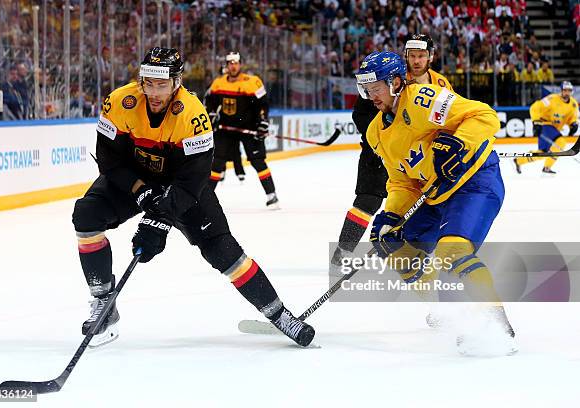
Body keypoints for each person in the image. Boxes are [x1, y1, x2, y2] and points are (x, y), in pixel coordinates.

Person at [72, 47, 314, 348]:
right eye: (149, 83)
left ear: (177, 82)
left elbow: (194, 179)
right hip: (134, 179)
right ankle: (103, 304)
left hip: (182, 185)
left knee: (223, 251)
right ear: (141, 80)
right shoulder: (121, 101)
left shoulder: (193, 114)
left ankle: (280, 316)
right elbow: (109, 161)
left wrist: (160, 220)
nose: (155, 92)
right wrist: (141, 191)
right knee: (86, 215)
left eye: (162, 84)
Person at [356, 50, 516, 354]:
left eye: (375, 87)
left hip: (474, 181)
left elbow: (484, 116)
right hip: (437, 193)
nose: (370, 95)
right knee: (390, 241)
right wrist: (392, 214)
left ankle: (498, 325)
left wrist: (458, 142)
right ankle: (449, 310)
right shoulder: (376, 131)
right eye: (366, 88)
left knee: (452, 249)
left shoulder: (421, 99)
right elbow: (402, 181)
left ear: (395, 82)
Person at [330, 34, 453, 272]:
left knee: (428, 201)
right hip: (380, 151)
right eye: (412, 56)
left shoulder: (441, 85)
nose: (416, 61)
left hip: (420, 156)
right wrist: (383, 138)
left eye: (421, 56)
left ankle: (420, 253)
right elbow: (361, 113)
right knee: (368, 199)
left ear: (431, 57)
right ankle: (343, 252)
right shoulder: (386, 75)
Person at [205, 51, 279, 208]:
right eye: (230, 63)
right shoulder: (218, 82)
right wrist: (211, 114)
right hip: (226, 129)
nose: (233, 66)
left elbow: (263, 104)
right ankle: (204, 200)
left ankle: (271, 195)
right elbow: (209, 100)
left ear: (241, 64)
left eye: (236, 62)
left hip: (249, 128)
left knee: (258, 161)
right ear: (226, 65)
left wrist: (263, 122)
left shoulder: (253, 82)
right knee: (217, 163)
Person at [514, 81, 579, 174]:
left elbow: (572, 117)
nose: (567, 92)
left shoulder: (573, 104)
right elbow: (535, 107)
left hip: (554, 129)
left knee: (542, 153)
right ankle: (547, 167)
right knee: (561, 142)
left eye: (569, 90)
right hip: (545, 124)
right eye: (565, 90)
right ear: (561, 90)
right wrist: (536, 122)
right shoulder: (552, 99)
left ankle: (519, 160)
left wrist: (573, 124)